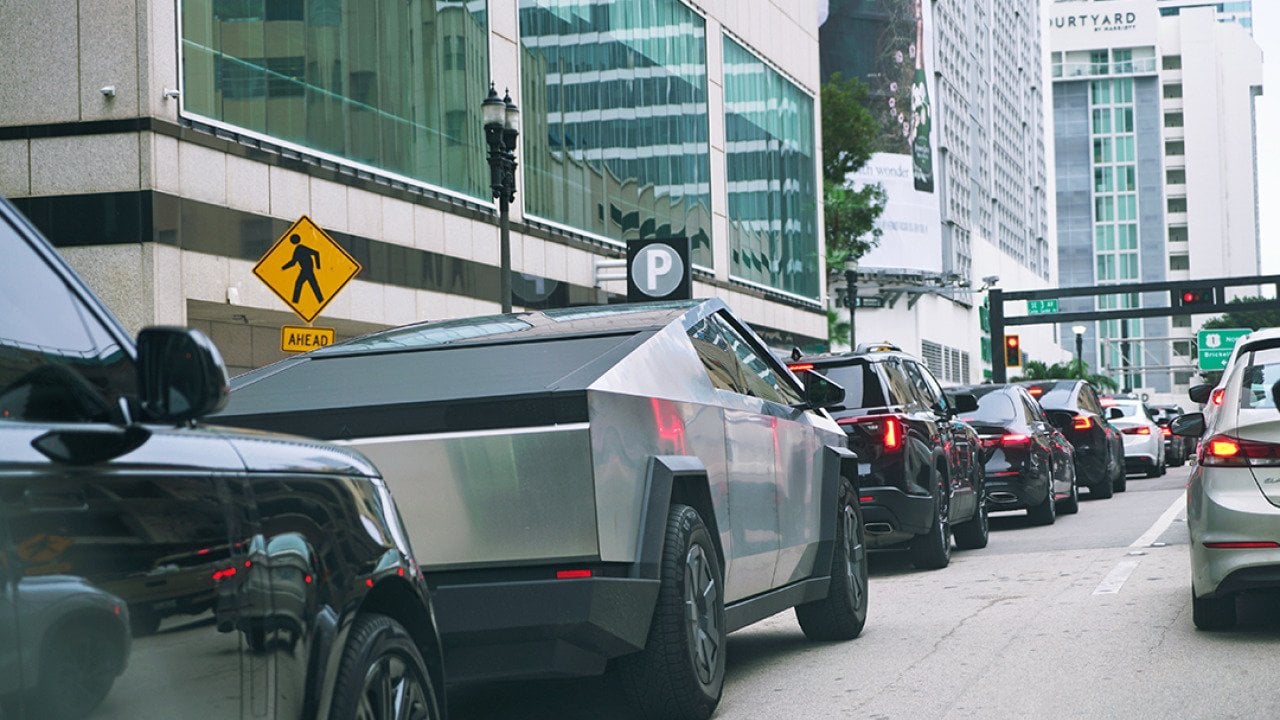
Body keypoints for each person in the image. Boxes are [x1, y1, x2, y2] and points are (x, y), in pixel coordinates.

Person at [282, 234, 323, 303]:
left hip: (307, 270)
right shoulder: (299, 249)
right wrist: (283, 267)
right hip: (306, 270)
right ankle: (320, 300)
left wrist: (318, 266)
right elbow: (293, 262)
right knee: (311, 285)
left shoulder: (300, 248)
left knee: (300, 284)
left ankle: (295, 301)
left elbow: (316, 253)